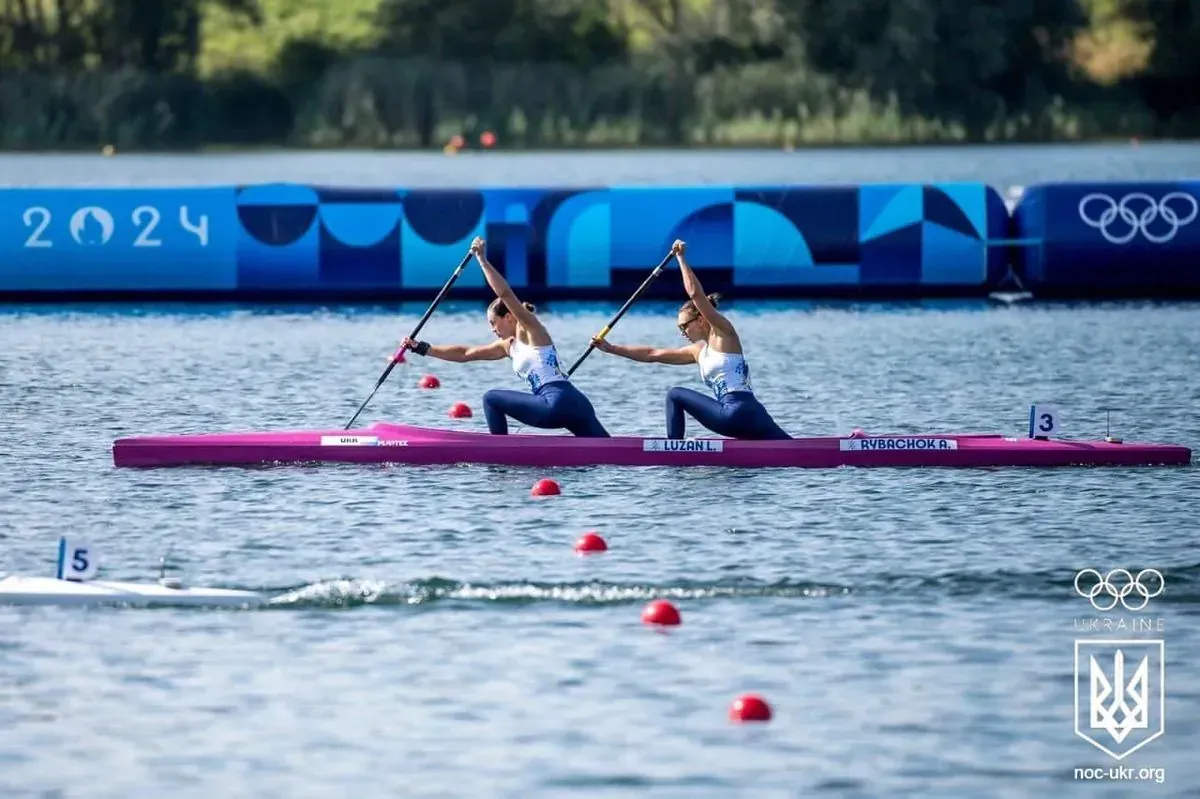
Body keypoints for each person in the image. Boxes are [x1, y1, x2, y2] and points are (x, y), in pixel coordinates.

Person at [400, 236, 610, 438]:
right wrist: (422, 348)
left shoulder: (531, 329)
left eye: (493, 323)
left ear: (508, 317)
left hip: (554, 404)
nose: (492, 329)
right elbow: (465, 353)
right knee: (613, 452)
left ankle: (499, 452)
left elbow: (505, 294)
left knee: (491, 399)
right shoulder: (507, 346)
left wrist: (482, 259)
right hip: (577, 405)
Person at [589, 239, 791, 441]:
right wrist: (611, 348)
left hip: (733, 413)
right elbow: (652, 354)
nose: (682, 331)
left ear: (701, 319)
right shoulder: (698, 351)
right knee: (793, 450)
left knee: (675, 395)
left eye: (685, 325)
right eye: (679, 328)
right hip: (756, 415)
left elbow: (695, 294)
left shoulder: (723, 332)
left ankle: (674, 450)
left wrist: (680, 257)